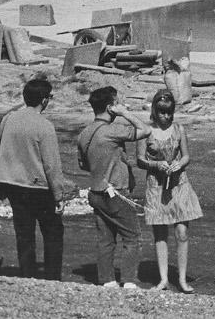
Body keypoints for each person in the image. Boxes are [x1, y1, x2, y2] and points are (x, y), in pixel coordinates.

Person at [0, 77, 74, 280]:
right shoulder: (44, 126)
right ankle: (52, 276)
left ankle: (27, 273)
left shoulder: (9, 119)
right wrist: (59, 195)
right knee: (53, 232)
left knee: (24, 232)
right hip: (38, 187)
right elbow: (51, 165)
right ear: (45, 100)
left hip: (12, 183)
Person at [77, 85, 145, 288]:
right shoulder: (112, 130)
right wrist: (125, 113)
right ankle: (129, 281)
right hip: (116, 193)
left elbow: (83, 164)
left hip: (96, 191)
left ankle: (107, 280)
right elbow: (145, 130)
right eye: (117, 102)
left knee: (106, 239)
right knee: (131, 236)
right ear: (110, 107)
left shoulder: (85, 133)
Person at [136, 89, 201, 293]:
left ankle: (181, 279)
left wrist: (178, 165)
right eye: (162, 112)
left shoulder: (179, 129)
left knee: (182, 232)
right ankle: (163, 279)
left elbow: (186, 156)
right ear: (155, 111)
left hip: (178, 183)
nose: (166, 116)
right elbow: (140, 160)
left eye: (169, 112)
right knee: (160, 233)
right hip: (156, 185)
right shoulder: (146, 131)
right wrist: (156, 165)